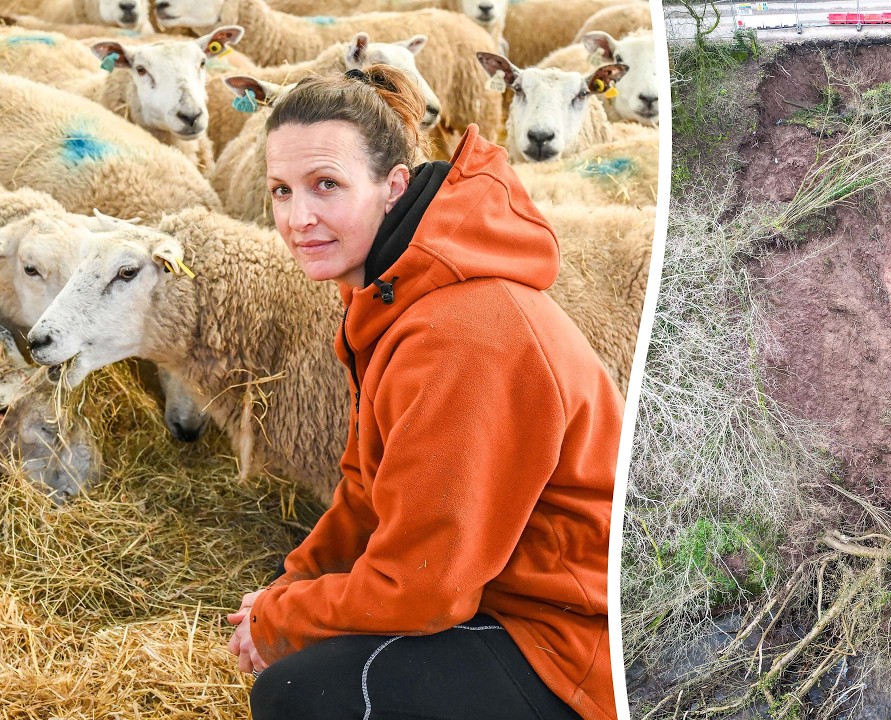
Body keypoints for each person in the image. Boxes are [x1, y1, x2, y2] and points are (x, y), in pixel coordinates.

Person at [224, 65, 621, 720]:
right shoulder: (390, 299)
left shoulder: (461, 335)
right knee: (303, 652)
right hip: (502, 593)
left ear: (393, 187)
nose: (299, 217)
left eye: (327, 185)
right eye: (281, 191)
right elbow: (365, 493)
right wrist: (289, 590)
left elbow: (426, 587)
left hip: (573, 641)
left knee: (300, 698)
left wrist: (281, 620)